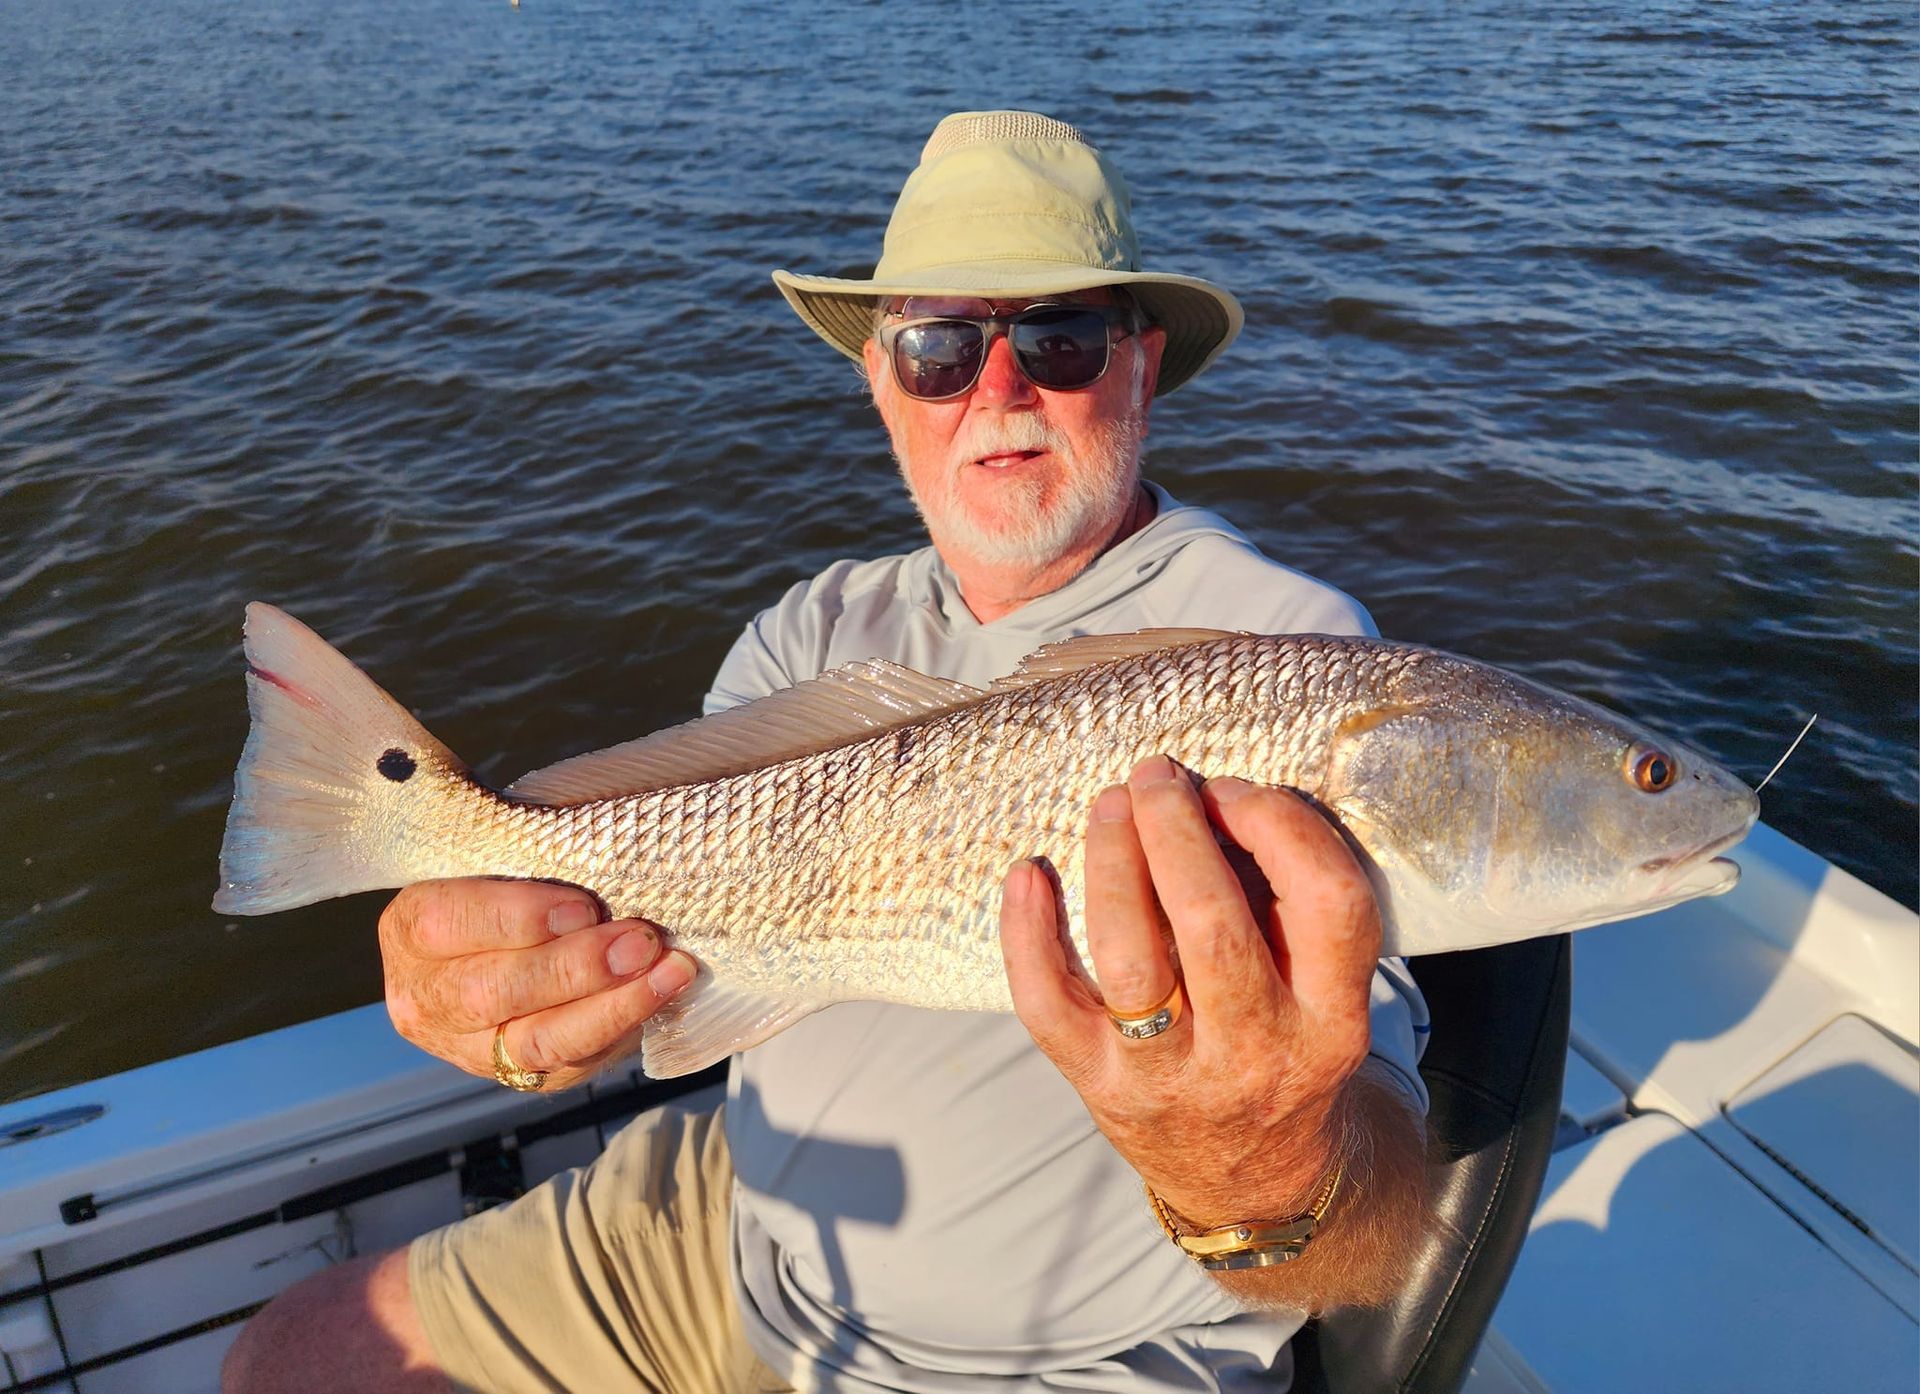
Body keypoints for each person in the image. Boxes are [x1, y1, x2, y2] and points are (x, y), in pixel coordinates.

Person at [224, 110, 1432, 1394]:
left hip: (1059, 1364)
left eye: (1062, 338)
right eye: (939, 347)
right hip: (738, 1232)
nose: (1001, 389)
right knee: (286, 1360)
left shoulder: (1287, 655)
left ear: (1140, 365)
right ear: (879, 381)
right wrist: (499, 984)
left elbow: (1372, 1216)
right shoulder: (809, 629)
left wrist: (1259, 1159)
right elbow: (656, 963)